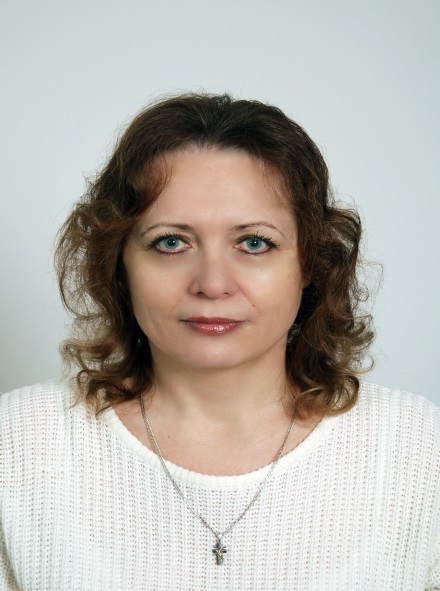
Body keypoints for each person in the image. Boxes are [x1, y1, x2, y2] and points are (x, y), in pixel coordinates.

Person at [0, 93, 439, 590]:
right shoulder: (17, 445)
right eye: (171, 242)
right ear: (119, 263)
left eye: (254, 243)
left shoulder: (419, 449)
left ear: (311, 263)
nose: (212, 283)